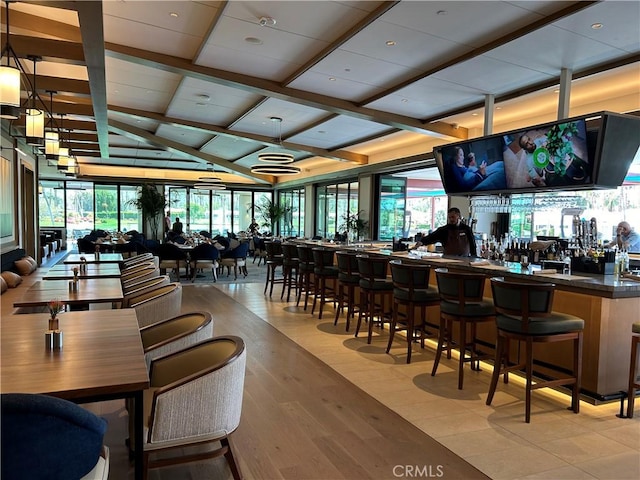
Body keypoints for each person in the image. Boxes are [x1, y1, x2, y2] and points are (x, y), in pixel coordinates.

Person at [412, 207, 477, 257]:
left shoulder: (467, 229)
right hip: (448, 259)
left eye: (453, 217)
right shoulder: (444, 230)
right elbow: (431, 237)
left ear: (459, 216)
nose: (451, 219)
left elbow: (472, 245)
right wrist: (421, 242)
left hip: (464, 260)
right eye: (449, 217)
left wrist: (474, 257)